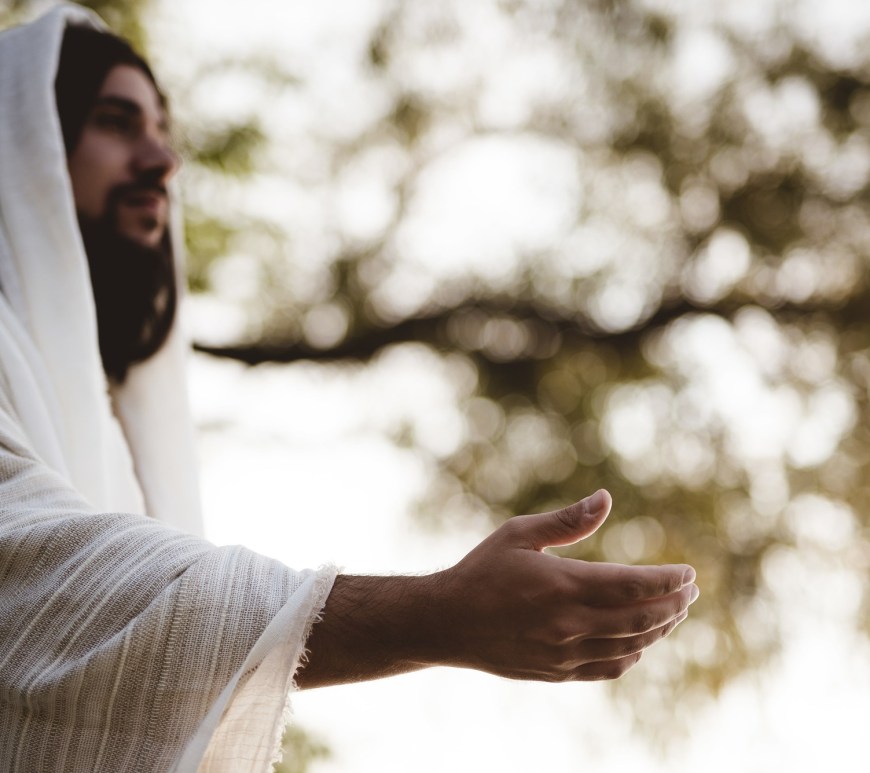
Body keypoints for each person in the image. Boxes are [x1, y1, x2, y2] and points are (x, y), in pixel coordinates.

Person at [0, 5, 699, 772]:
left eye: (162, 130)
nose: (162, 159)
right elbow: (35, 579)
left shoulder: (112, 426)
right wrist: (438, 614)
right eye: (115, 122)